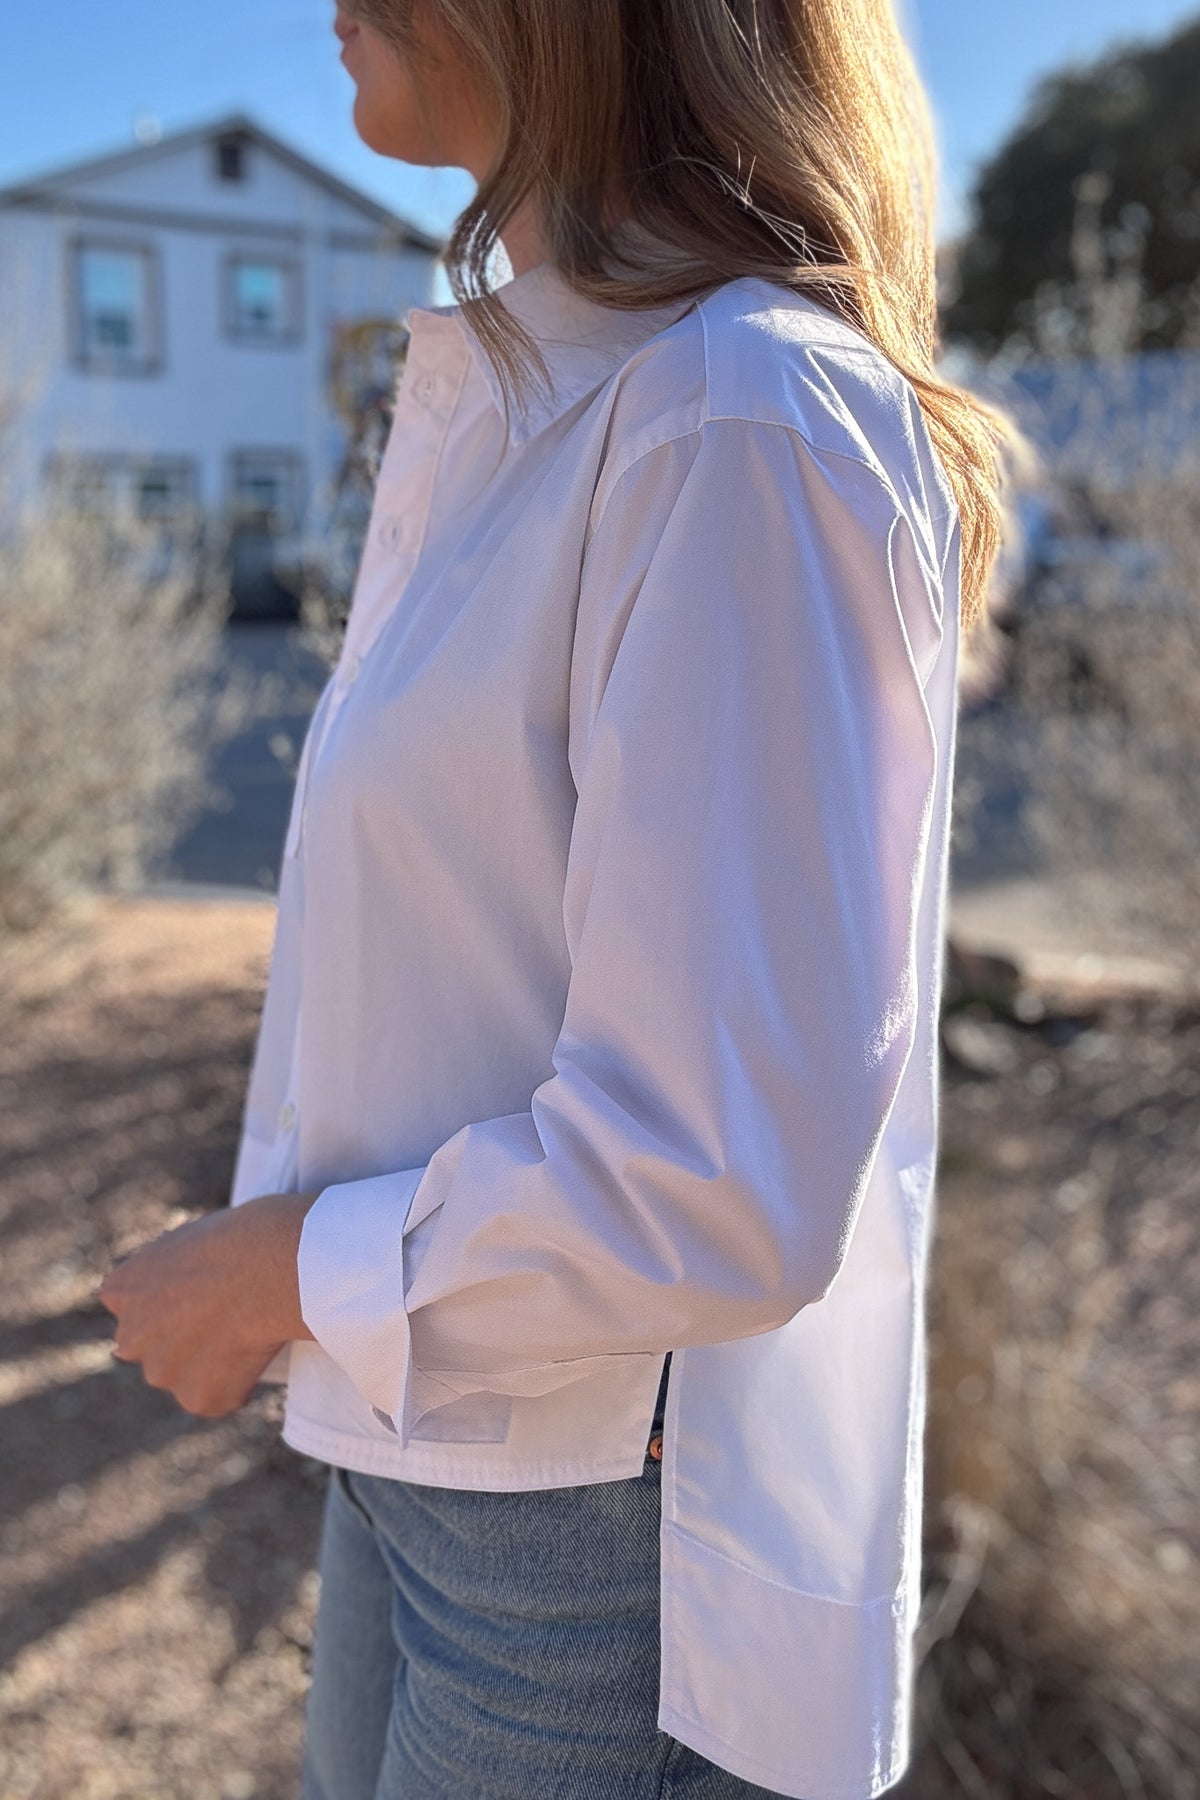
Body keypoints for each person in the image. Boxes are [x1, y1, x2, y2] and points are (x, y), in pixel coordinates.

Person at [97, 1, 1014, 1795]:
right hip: (452, 1466)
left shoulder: (738, 417)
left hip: (591, 1549)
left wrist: (282, 1269)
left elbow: (715, 1179)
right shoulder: (552, 402)